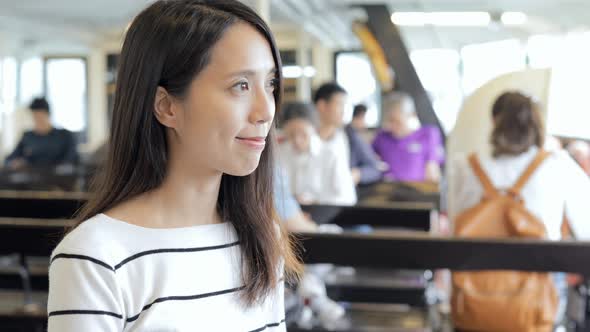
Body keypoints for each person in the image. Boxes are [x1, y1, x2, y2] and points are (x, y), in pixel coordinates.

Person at [47, 1, 302, 331]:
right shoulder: (96, 257)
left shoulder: (261, 234)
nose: (266, 110)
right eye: (241, 85)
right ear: (166, 107)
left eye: (270, 84)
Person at [448, 91, 590, 325]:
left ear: (494, 122)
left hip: (474, 301)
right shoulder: (558, 165)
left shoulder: (463, 166)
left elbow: (455, 223)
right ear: (536, 123)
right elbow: (586, 230)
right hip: (534, 305)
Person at [278, 102, 357, 205]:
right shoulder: (280, 153)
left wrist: (316, 202)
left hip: (324, 215)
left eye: (303, 134)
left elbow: (348, 198)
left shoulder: (331, 154)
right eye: (291, 134)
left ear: (314, 128)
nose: (297, 140)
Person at [314, 83, 381, 186]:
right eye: (339, 104)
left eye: (345, 105)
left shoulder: (350, 137)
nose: (343, 111)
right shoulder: (304, 136)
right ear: (322, 105)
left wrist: (357, 174)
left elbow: (374, 168)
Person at [372, 92, 444, 182]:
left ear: (411, 115)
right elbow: (370, 161)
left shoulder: (428, 134)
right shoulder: (382, 137)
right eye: (389, 121)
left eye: (396, 121)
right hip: (389, 191)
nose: (391, 126)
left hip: (418, 191)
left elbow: (433, 171)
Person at [4, 97, 78, 169]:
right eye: (34, 117)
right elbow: (8, 160)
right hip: (31, 179)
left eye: (40, 117)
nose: (37, 120)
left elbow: (73, 159)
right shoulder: (27, 137)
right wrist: (15, 163)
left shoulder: (64, 136)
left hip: (59, 179)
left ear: (48, 114)